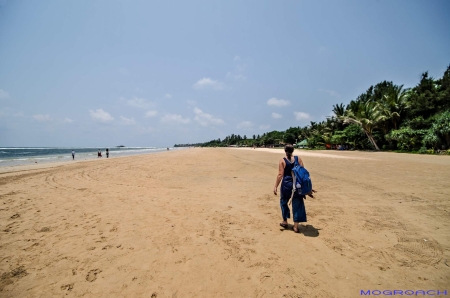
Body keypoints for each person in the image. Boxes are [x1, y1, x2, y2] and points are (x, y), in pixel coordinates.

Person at [273, 144, 315, 233]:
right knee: (298, 204)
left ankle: (285, 221)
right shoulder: (298, 159)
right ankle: (295, 227)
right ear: (293, 150)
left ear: (285, 150)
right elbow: (303, 174)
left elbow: (280, 175)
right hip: (297, 186)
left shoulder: (282, 160)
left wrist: (275, 186)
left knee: (283, 202)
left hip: (286, 186)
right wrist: (308, 188)